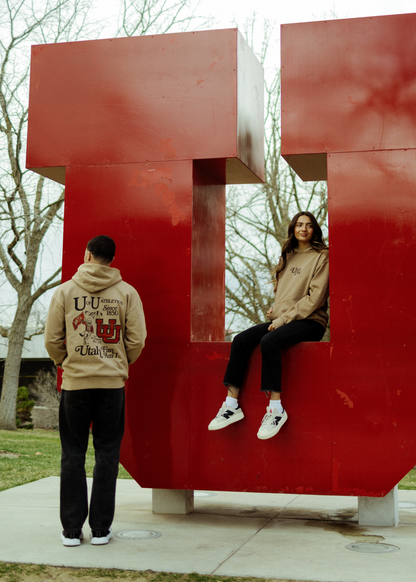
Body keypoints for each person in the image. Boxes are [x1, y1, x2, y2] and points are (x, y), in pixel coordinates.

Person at [45, 235, 146, 547]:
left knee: (72, 454)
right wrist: (117, 364)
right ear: (111, 259)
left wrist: (67, 363)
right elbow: (137, 339)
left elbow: (52, 339)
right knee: (107, 453)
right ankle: (101, 529)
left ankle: (71, 531)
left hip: (75, 384)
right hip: (111, 385)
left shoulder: (65, 291)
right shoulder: (127, 293)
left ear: (87, 254)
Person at [208, 212, 329, 439]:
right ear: (293, 228)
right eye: (300, 225)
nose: (304, 229)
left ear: (315, 230)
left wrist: (282, 319)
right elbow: (286, 293)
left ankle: (275, 410)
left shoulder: (322, 256)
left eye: (309, 226)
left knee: (269, 342)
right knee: (241, 340)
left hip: (310, 321)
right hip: (283, 319)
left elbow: (315, 298)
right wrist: (276, 310)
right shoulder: (288, 255)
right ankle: (231, 404)